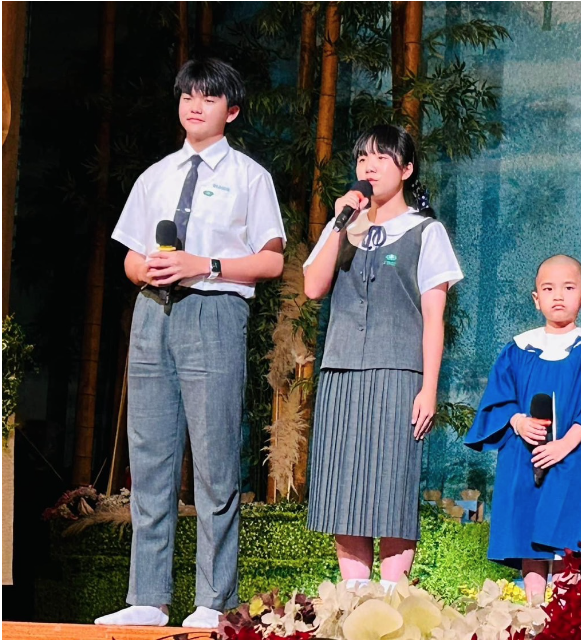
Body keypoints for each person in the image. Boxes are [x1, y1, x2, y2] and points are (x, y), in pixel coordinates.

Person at [95, 59, 286, 628]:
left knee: (215, 461)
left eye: (208, 97)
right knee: (149, 457)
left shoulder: (251, 177)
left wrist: (205, 264)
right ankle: (148, 598)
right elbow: (130, 256)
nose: (194, 106)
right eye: (187, 96)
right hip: (153, 313)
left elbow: (272, 260)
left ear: (232, 110)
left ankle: (213, 599)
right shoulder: (155, 176)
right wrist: (144, 270)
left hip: (215, 311)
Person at [303, 124, 463, 591]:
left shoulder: (425, 231)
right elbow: (313, 287)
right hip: (341, 373)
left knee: (392, 491)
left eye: (381, 158)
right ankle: (353, 606)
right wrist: (340, 223)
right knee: (344, 494)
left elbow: (434, 319)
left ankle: (394, 607)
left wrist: (429, 389)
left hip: (397, 375)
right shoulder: (343, 225)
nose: (368, 167)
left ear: (406, 169)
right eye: (362, 159)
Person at [464, 255, 581, 604]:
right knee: (527, 531)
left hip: (572, 457)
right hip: (524, 454)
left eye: (569, 288)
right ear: (536, 299)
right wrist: (518, 421)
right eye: (549, 289)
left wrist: (567, 442)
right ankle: (534, 609)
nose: (558, 296)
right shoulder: (518, 348)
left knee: (567, 532)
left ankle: (564, 614)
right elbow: (498, 399)